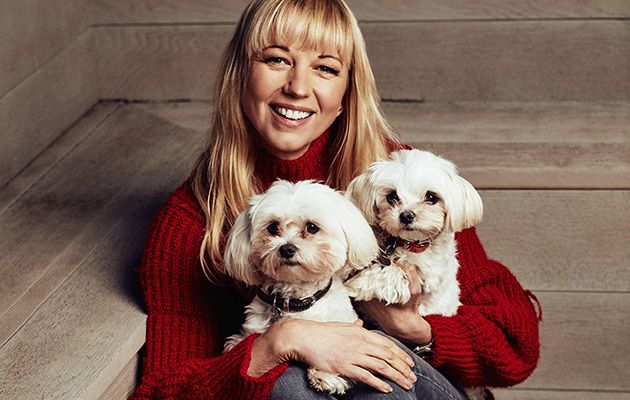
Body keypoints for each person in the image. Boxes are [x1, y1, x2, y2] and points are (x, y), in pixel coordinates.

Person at [130, 0, 540, 399]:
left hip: (422, 382)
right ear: (240, 74)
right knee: (289, 381)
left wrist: (414, 328)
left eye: (325, 68)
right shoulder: (191, 219)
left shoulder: (397, 181)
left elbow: (515, 348)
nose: (298, 87)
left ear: (347, 90)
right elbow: (166, 390)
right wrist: (281, 340)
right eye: (276, 60)